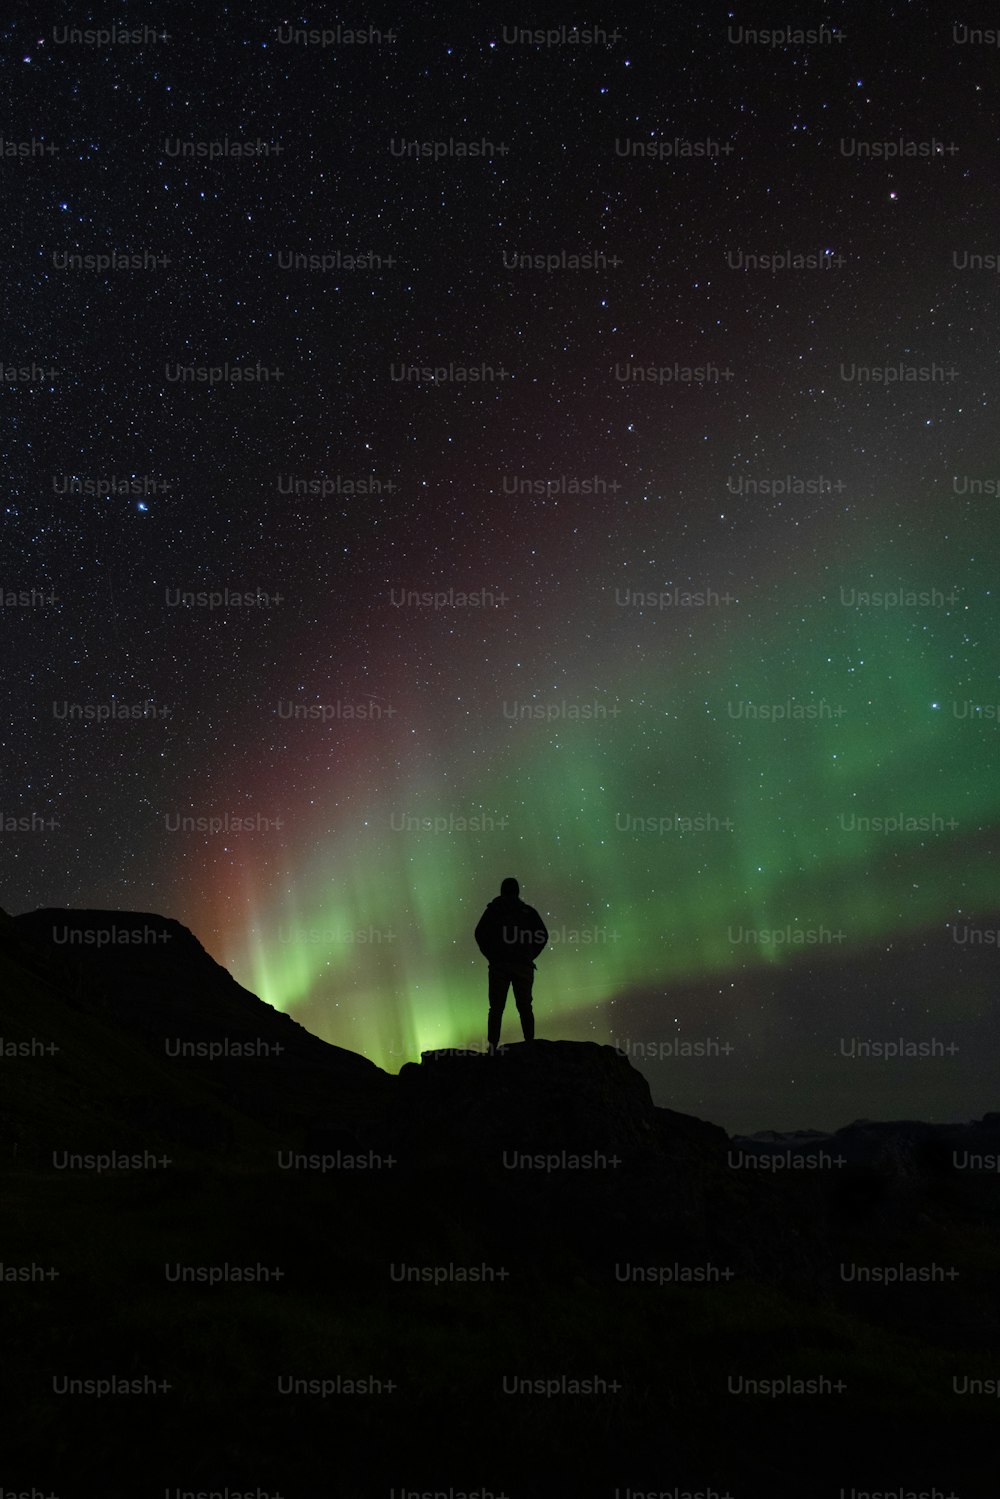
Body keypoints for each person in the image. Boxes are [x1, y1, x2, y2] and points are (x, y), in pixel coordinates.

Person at [474, 877, 548, 1053]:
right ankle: (529, 1043)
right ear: (517, 891)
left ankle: (492, 1048)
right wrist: (529, 955)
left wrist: (491, 956)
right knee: (525, 1007)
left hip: (499, 965)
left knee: (496, 1008)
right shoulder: (527, 912)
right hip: (523, 966)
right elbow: (542, 936)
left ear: (502, 891)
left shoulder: (493, 911)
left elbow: (479, 933)